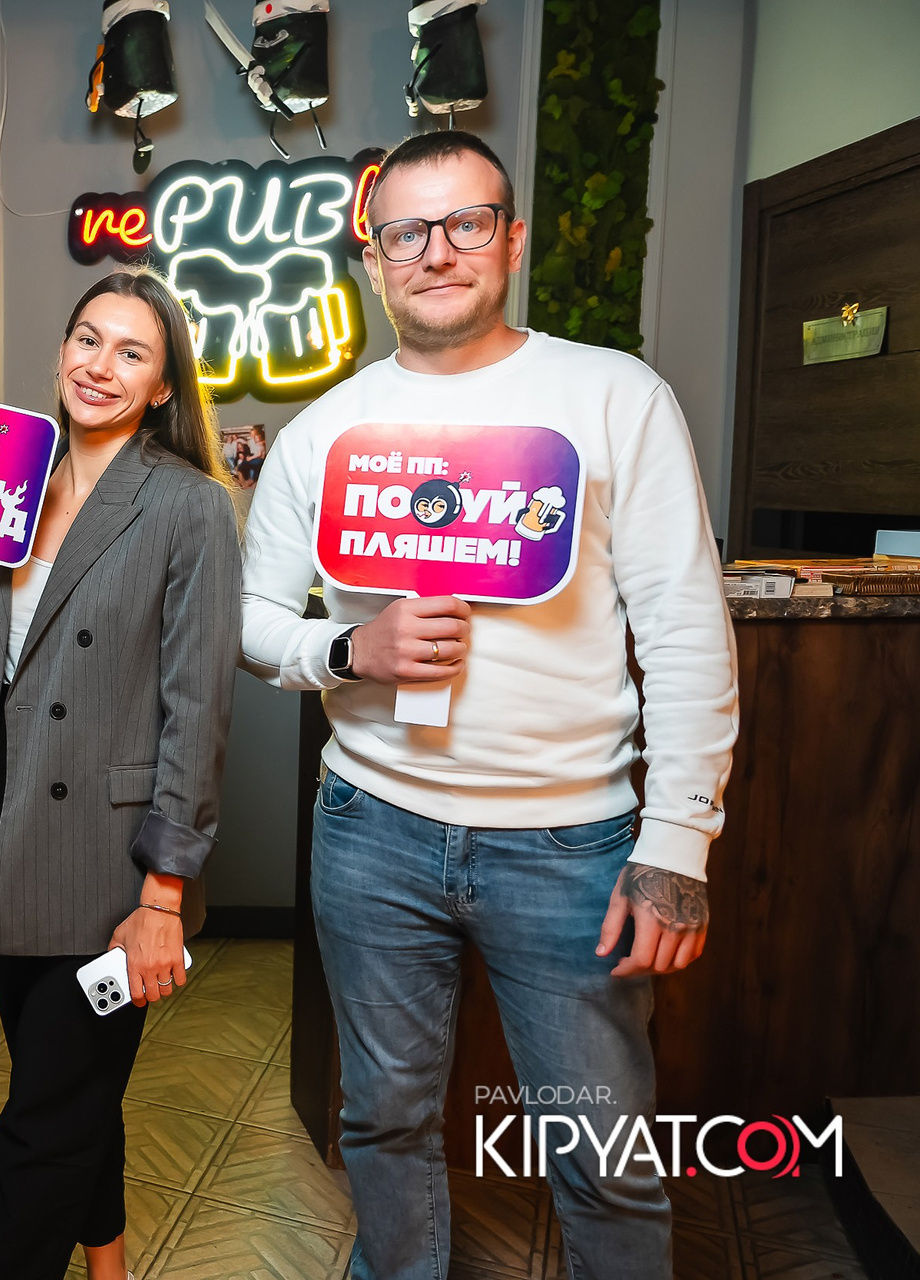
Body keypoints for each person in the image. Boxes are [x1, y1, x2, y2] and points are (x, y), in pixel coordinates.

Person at [240, 130, 738, 1279]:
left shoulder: (615, 396)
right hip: (371, 831)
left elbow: (684, 628)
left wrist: (678, 838)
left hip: (571, 841)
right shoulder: (322, 432)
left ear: (511, 240)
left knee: (602, 1148)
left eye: (466, 222)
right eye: (405, 232)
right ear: (375, 260)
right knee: (381, 1118)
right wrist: (349, 646)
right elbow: (255, 620)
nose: (436, 251)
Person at [0, 268, 240, 1280]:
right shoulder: (12, 483)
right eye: (88, 339)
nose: (100, 365)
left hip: (111, 871)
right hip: (8, 846)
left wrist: (162, 897)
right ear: (60, 352)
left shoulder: (188, 505)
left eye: (131, 352)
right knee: (69, 1089)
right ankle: (111, 1265)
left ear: (163, 387)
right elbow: (25, 674)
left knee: (42, 1124)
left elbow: (197, 714)